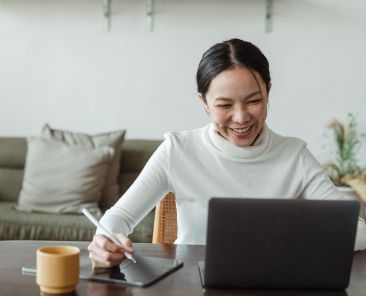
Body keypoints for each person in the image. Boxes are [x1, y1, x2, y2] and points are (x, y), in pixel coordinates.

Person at [88, 38, 366, 267]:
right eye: (224, 105)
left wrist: (298, 237)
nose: (241, 117)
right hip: (191, 283)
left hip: (274, 282)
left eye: (254, 101)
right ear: (204, 103)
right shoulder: (178, 150)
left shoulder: (294, 156)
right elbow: (119, 217)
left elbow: (359, 231)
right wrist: (105, 240)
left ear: (268, 92)